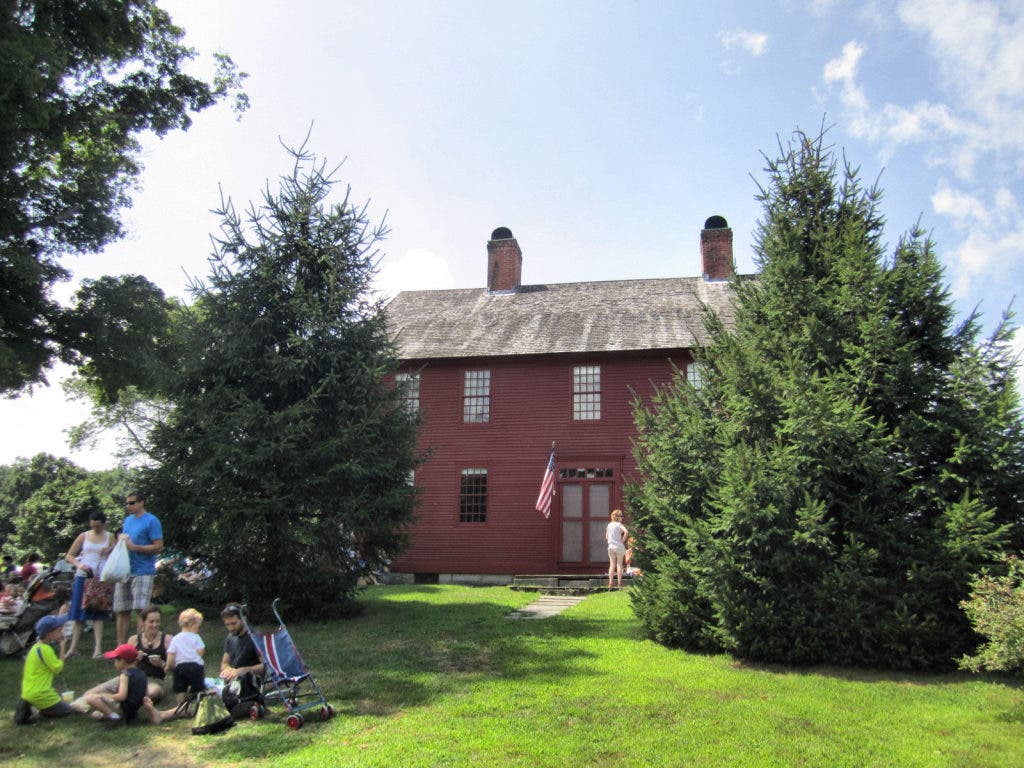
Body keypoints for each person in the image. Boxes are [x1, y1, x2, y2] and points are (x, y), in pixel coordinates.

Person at [71, 605, 170, 714]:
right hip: (130, 676)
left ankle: (109, 708)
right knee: (96, 690)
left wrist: (161, 663)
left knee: (151, 693)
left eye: (157, 621)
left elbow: (174, 669)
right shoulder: (134, 640)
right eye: (151, 622)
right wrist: (135, 658)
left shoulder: (167, 640)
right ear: (143, 622)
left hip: (154, 679)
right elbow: (122, 664)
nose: (155, 625)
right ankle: (80, 704)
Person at [114, 491, 163, 645]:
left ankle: (141, 646)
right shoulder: (128, 521)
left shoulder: (152, 521)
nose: (128, 506)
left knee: (141, 610)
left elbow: (159, 546)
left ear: (142, 502)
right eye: (127, 503)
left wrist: (135, 547)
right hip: (125, 570)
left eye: (132, 502)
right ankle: (121, 648)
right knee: (123, 610)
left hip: (143, 570)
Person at [64, 510, 115, 658]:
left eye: (98, 526)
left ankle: (97, 649)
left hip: (102, 577)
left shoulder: (110, 536)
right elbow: (69, 555)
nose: (95, 529)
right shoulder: (84, 536)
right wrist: (79, 565)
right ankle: (72, 648)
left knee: (98, 613)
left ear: (103, 524)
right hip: (84, 576)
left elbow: (118, 552)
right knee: (80, 612)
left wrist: (110, 549)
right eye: (93, 526)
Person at [143, 608, 207, 723]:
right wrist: (194, 655)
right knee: (198, 687)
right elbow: (201, 652)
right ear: (192, 625)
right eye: (198, 626)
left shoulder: (176, 638)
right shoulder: (196, 637)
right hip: (196, 667)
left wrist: (167, 666)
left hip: (180, 668)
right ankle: (200, 706)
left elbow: (171, 655)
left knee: (180, 687)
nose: (198, 629)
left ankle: (181, 706)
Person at [13, 613, 73, 724]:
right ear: (49, 634)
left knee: (59, 695)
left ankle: (30, 705)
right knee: (68, 709)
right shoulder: (46, 649)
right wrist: (63, 647)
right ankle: (40, 710)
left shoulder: (35, 647)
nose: (61, 633)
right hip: (40, 693)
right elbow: (58, 668)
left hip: (28, 690)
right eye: (59, 631)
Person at [84, 643, 148, 726]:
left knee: (90, 698)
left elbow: (121, 696)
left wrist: (102, 695)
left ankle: (115, 717)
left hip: (124, 708)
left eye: (115, 660)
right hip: (134, 709)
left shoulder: (125, 675)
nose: (115, 663)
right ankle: (113, 715)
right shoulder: (141, 673)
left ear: (122, 661)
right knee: (95, 715)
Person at [219, 602, 264, 717]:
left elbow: (266, 666)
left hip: (249, 683)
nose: (230, 628)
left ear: (243, 619)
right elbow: (224, 663)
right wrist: (228, 670)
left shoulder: (255, 637)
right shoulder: (230, 638)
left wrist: (242, 670)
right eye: (227, 624)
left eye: (233, 624)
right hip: (232, 681)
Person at [606, 509, 629, 590]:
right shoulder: (619, 525)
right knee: (619, 565)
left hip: (611, 546)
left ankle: (610, 583)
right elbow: (626, 532)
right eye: (621, 516)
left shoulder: (609, 525)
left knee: (612, 565)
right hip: (618, 546)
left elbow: (606, 536)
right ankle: (619, 584)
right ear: (618, 517)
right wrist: (622, 541)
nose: (622, 518)